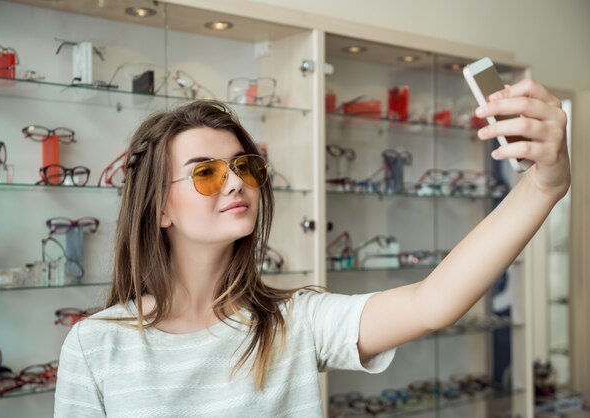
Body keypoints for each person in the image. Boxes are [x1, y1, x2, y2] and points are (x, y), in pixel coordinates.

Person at [53, 80, 570, 417]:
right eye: (205, 173)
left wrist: (545, 185)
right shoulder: (97, 346)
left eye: (243, 166)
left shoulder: (293, 322)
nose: (235, 183)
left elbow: (433, 302)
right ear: (159, 210)